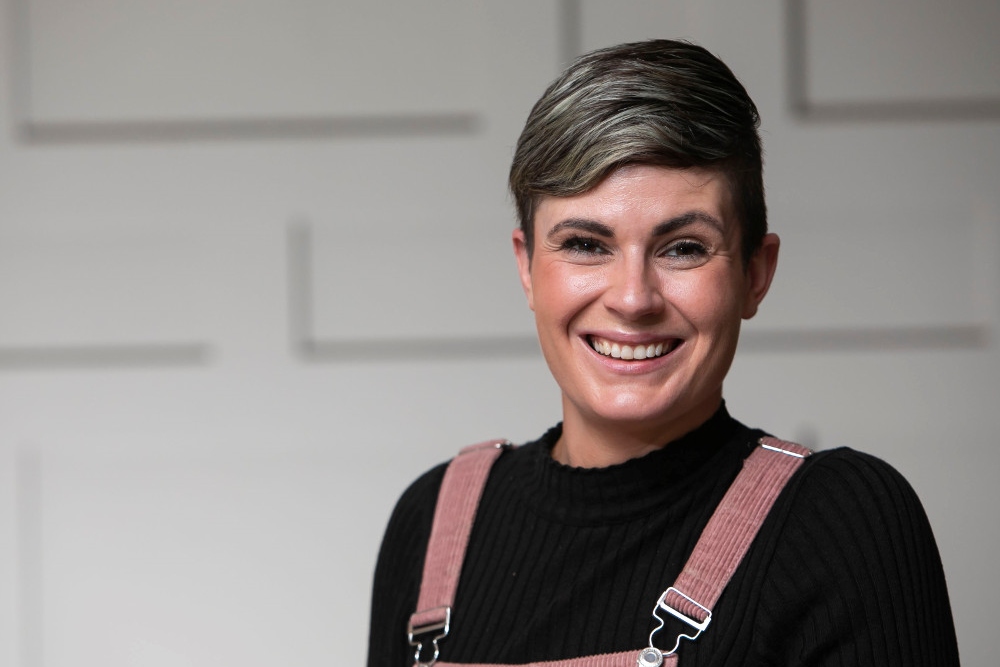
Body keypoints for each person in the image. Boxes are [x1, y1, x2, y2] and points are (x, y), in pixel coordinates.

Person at [367, 39, 960, 667]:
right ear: (527, 268)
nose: (632, 299)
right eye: (585, 245)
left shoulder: (841, 523)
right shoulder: (431, 523)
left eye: (683, 248)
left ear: (756, 274)